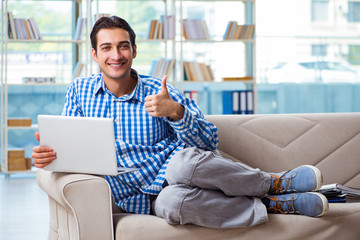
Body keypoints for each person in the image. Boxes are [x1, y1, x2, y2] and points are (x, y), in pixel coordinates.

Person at [32, 16, 329, 228]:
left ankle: (275, 182)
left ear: (134, 51)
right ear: (96, 55)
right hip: (139, 197)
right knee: (175, 207)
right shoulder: (80, 91)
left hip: (173, 169)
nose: (116, 55)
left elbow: (208, 141)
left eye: (123, 46)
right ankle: (275, 205)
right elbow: (70, 146)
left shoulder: (159, 89)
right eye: (107, 48)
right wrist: (50, 155)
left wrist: (176, 112)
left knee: (184, 164)